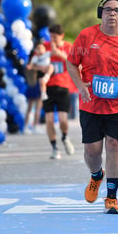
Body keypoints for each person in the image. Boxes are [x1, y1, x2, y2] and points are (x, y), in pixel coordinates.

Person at [66, 0, 118, 214]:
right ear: (101, 13)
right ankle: (96, 175)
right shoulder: (86, 36)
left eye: (117, 10)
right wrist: (80, 86)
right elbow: (71, 63)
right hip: (91, 104)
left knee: (114, 144)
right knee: (92, 151)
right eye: (108, 10)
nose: (112, 14)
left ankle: (111, 197)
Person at [43, 24, 75, 160]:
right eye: (50, 37)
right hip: (48, 87)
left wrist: (60, 54)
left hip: (64, 87)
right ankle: (54, 147)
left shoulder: (68, 47)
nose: (52, 40)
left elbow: (75, 64)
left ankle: (65, 136)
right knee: (49, 120)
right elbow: (35, 61)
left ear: (61, 36)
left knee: (63, 119)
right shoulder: (45, 46)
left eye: (55, 37)